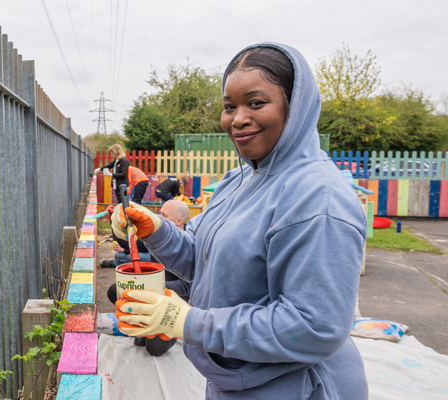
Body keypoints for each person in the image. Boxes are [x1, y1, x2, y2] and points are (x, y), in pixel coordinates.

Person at [111, 43, 368, 399]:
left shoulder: (317, 199)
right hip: (237, 378)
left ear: (296, 108)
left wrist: (186, 321)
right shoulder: (238, 180)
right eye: (229, 106)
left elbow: (313, 327)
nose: (237, 118)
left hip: (296, 387)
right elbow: (204, 264)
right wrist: (156, 230)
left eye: (256, 102)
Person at [107, 200, 192, 357]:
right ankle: (143, 326)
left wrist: (153, 288)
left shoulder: (189, 246)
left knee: (154, 349)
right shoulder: (159, 238)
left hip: (176, 302)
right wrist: (116, 224)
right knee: (115, 291)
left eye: (163, 215)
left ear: (179, 221)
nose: (159, 217)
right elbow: (128, 243)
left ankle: (172, 335)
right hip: (154, 293)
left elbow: (188, 286)